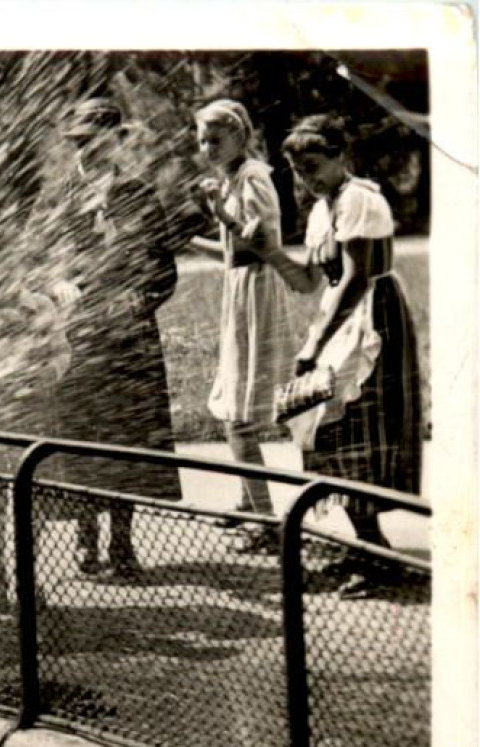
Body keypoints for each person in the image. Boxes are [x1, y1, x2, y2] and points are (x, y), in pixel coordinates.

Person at [253, 114, 424, 598]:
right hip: (340, 318)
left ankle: (375, 554)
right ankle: (368, 547)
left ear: (340, 156)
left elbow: (354, 278)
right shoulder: (321, 210)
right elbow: (310, 281)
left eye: (315, 165)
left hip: (373, 319)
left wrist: (313, 345)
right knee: (331, 432)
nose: (308, 178)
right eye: (299, 171)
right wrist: (266, 251)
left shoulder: (360, 200)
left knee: (355, 428)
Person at [32, 97, 181, 582]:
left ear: (118, 139)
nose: (88, 151)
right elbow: (33, 258)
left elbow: (163, 267)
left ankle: (122, 541)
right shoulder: (56, 196)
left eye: (98, 141)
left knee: (126, 435)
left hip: (128, 337)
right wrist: (55, 286)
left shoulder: (138, 194)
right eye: (79, 142)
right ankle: (85, 541)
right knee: (79, 433)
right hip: (75, 336)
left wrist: (138, 300)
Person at [186, 99, 296, 555]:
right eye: (201, 140)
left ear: (240, 137)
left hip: (257, 295)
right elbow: (234, 252)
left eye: (215, 139)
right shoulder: (233, 178)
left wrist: (220, 214)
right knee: (236, 409)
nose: (206, 147)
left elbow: (264, 242)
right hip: (241, 289)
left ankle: (266, 518)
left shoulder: (253, 178)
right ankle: (251, 502)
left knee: (240, 414)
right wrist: (188, 239)